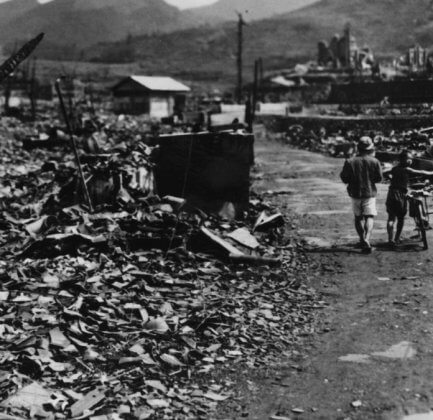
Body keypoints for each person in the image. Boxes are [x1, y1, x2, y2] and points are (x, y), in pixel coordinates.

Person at [340, 136, 383, 253]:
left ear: (358, 148)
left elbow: (344, 178)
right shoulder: (375, 161)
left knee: (358, 217)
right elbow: (379, 178)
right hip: (369, 193)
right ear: (370, 149)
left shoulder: (350, 161)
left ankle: (361, 238)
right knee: (369, 216)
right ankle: (367, 238)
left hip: (355, 193)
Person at [386, 150, 433, 246]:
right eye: (410, 159)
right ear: (405, 160)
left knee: (391, 218)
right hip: (400, 194)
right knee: (400, 218)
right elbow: (421, 172)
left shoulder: (394, 169)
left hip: (391, 193)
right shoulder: (407, 169)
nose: (411, 161)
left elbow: (385, 173)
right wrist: (431, 172)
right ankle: (397, 238)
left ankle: (390, 239)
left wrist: (391, 178)